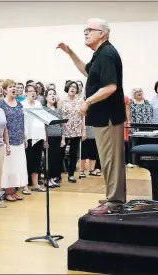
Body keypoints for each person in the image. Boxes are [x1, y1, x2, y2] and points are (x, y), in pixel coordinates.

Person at [57, 18, 126, 215]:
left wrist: (87, 101)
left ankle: (114, 203)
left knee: (111, 161)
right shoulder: (99, 54)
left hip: (109, 117)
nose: (85, 33)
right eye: (85, 30)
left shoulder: (107, 54)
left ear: (102, 33)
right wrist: (70, 53)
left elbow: (111, 87)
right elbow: (87, 71)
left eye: (90, 30)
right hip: (103, 117)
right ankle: (113, 198)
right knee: (108, 161)